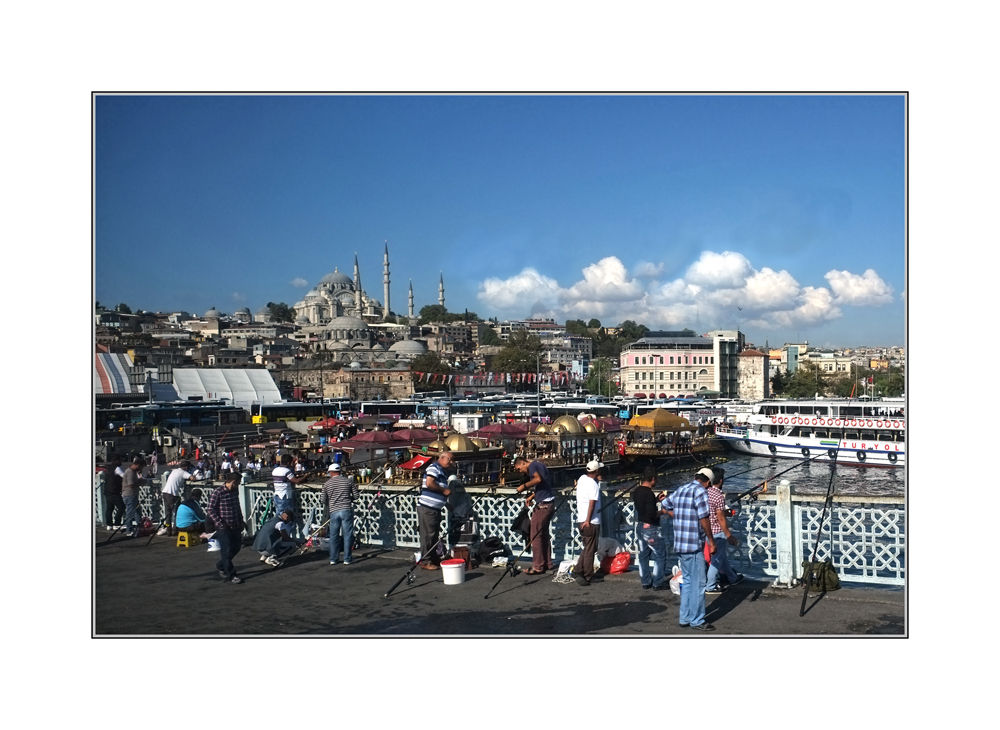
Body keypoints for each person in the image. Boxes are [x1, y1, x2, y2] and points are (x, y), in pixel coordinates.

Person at [663, 467, 717, 631]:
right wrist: (711, 540)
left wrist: (677, 515)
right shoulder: (700, 492)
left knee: (687, 582)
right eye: (709, 485)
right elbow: (704, 518)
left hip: (680, 542)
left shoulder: (681, 489)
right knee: (699, 584)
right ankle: (697, 620)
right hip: (693, 544)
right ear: (707, 482)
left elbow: (665, 504)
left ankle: (684, 617)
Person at [513, 456, 557, 575]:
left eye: (519, 468)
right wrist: (533, 496)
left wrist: (524, 486)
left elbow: (538, 479)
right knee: (543, 534)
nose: (520, 471)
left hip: (543, 506)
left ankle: (538, 566)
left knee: (535, 535)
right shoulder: (540, 464)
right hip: (549, 503)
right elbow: (543, 484)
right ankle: (547, 563)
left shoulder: (532, 466)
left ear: (523, 463)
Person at [706, 467, 744, 594]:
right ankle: (710, 586)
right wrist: (729, 535)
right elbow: (721, 518)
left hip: (707, 530)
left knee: (721, 557)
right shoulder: (718, 496)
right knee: (716, 560)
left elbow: (713, 513)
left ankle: (732, 577)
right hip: (717, 531)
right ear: (721, 481)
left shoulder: (705, 492)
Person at [417, 450, 453, 570]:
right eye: (450, 459)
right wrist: (444, 491)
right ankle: (426, 561)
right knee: (428, 535)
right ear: (442, 458)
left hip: (434, 508)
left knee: (433, 535)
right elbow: (430, 483)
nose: (451, 462)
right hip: (427, 508)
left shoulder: (442, 471)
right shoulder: (434, 468)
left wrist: (446, 504)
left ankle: (433, 558)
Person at [632, 466, 667, 590]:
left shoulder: (637, 491)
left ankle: (646, 581)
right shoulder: (649, 493)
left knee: (643, 555)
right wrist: (663, 511)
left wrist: (656, 500)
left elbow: (644, 507)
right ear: (653, 479)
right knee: (660, 555)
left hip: (641, 526)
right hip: (651, 529)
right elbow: (652, 514)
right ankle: (658, 582)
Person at [207, 473, 246, 584]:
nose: (238, 485)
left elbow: (237, 507)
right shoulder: (218, 492)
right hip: (224, 527)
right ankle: (231, 575)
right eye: (237, 483)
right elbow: (210, 509)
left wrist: (241, 521)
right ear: (233, 481)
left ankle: (221, 565)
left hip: (235, 525)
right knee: (227, 550)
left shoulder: (234, 492)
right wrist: (220, 523)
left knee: (236, 548)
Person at [573, 460, 603, 586]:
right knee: (591, 549)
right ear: (596, 471)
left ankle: (578, 569)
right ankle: (588, 575)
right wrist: (588, 520)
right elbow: (592, 503)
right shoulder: (593, 485)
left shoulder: (582, 479)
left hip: (580, 519)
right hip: (591, 521)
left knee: (587, 547)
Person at [322, 463, 359, 565]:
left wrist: (332, 502)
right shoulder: (348, 481)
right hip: (346, 510)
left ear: (331, 472)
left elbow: (323, 500)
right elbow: (356, 496)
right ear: (340, 471)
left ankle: (333, 558)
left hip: (334, 511)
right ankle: (347, 558)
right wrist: (349, 498)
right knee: (347, 535)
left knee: (334, 535)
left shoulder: (327, 484)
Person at [271, 454, 309, 528]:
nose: (292, 464)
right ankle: (285, 536)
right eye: (292, 462)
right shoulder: (286, 471)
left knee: (278, 518)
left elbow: (284, 480)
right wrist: (305, 476)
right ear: (288, 463)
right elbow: (297, 481)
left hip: (277, 496)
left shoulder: (275, 470)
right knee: (287, 518)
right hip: (284, 497)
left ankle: (278, 536)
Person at [157, 461, 194, 537]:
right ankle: (175, 530)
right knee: (177, 512)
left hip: (165, 493)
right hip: (172, 494)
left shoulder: (174, 470)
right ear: (186, 467)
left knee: (168, 514)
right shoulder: (183, 472)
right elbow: (192, 478)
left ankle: (168, 530)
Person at [121, 457, 146, 537]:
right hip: (129, 494)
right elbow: (131, 484)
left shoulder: (132, 471)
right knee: (130, 512)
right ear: (138, 465)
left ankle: (139, 528)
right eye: (141, 467)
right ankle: (129, 530)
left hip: (132, 495)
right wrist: (141, 482)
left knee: (137, 511)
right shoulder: (130, 472)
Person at [103, 455, 126, 530]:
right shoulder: (117, 468)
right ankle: (117, 523)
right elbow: (124, 476)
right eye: (120, 460)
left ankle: (109, 525)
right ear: (117, 461)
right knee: (122, 507)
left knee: (109, 508)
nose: (121, 462)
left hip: (107, 491)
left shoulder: (108, 468)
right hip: (114, 491)